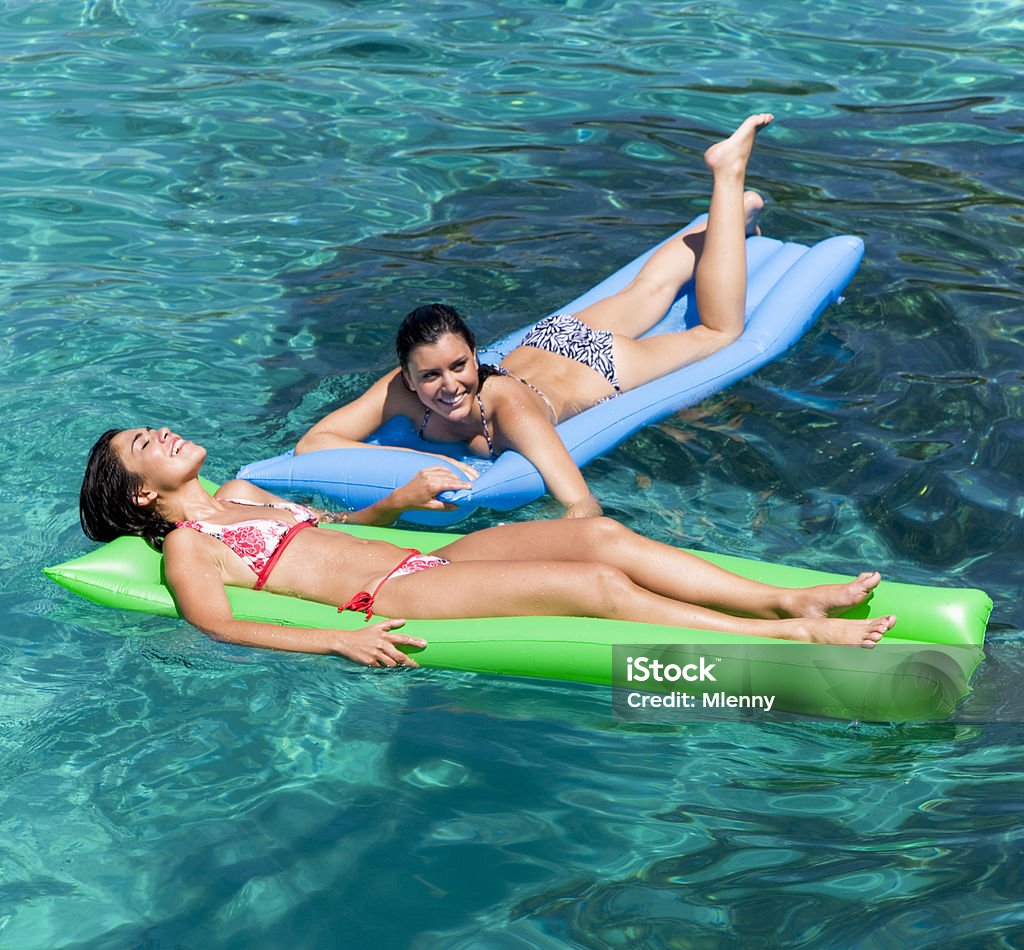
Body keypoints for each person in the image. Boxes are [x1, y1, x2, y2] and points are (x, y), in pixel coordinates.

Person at [79, 426, 897, 668]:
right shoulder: (192, 541)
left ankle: (784, 595)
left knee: (598, 534)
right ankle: (788, 634)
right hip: (392, 596)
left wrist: (397, 503)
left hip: (423, 559)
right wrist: (337, 638)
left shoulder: (243, 495)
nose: (161, 430)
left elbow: (333, 538)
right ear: (140, 493)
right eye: (141, 443)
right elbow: (219, 626)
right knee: (595, 588)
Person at [296, 113, 774, 518]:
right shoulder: (397, 391)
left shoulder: (508, 408)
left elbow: (580, 502)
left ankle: (727, 175)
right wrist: (409, 462)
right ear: (407, 374)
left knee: (718, 331)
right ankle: (738, 215)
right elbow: (314, 444)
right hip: (548, 338)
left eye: (460, 365)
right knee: (648, 289)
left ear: (476, 355)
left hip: (600, 364)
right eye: (430, 375)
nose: (448, 385)